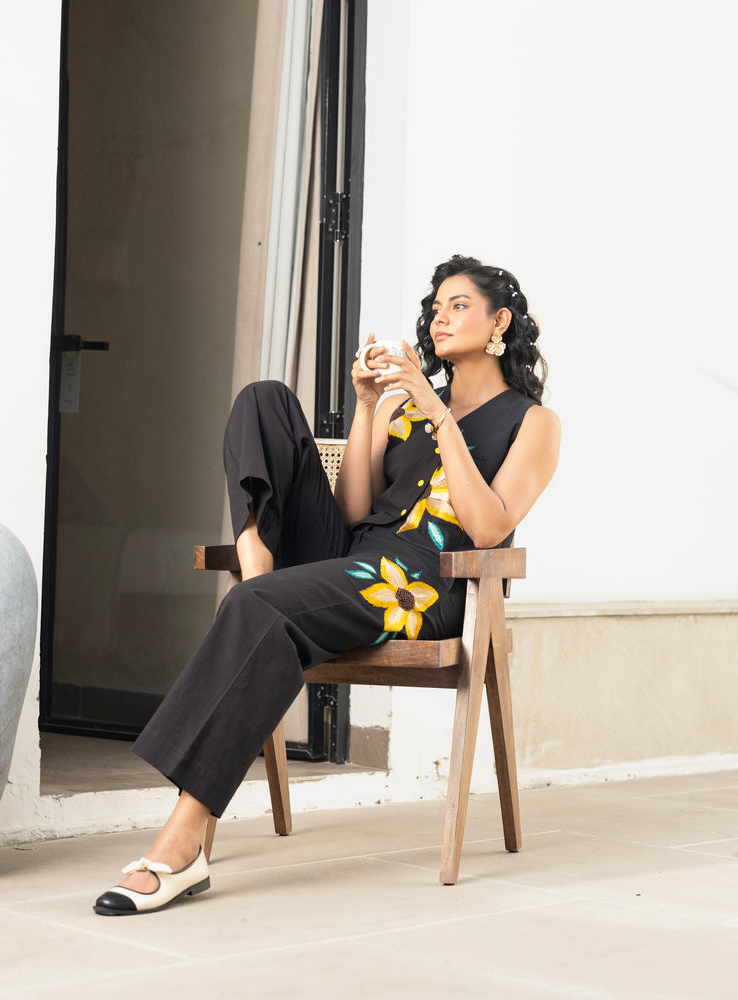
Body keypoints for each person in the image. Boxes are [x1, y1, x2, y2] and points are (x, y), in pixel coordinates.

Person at [93, 254, 561, 915]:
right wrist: (370, 408)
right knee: (266, 398)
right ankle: (259, 558)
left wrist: (438, 413)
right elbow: (349, 511)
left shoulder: (532, 422)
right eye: (436, 308)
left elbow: (487, 527)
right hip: (353, 556)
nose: (440, 318)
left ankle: (182, 841)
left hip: (419, 584)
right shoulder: (398, 405)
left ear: (499, 322)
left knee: (260, 608)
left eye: (458, 306)